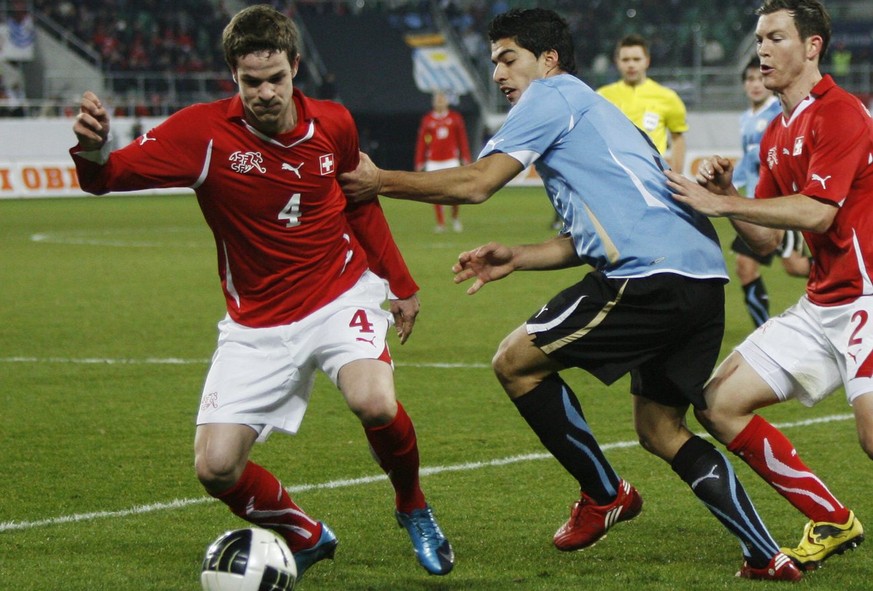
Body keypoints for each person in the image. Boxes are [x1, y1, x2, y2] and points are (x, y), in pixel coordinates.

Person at [342, 7, 801, 581]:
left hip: (647, 275)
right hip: (702, 280)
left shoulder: (550, 96)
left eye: (509, 59)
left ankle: (604, 494)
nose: (499, 74)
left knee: (515, 361)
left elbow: (477, 183)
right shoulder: (597, 113)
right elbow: (594, 235)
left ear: (549, 60)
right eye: (493, 63)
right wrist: (519, 256)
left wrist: (378, 180)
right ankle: (766, 555)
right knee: (660, 429)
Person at [69, 4, 454, 580]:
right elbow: (104, 179)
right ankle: (305, 532)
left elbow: (359, 199)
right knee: (215, 468)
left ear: (295, 67)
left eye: (276, 78)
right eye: (252, 82)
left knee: (373, 401)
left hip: (338, 294)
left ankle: (413, 507)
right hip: (256, 324)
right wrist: (93, 148)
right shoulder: (200, 134)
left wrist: (399, 282)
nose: (266, 93)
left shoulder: (334, 124)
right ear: (234, 76)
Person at [667, 0, 869, 572]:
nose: (762, 49)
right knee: (717, 403)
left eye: (776, 37)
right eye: (759, 38)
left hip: (869, 297)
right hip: (823, 302)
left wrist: (722, 201)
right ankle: (829, 517)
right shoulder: (779, 130)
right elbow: (762, 242)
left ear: (811, 48)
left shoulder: (841, 114)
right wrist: (735, 200)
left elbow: (818, 214)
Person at [732, 55, 809, 327]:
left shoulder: (777, 112)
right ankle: (763, 329)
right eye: (749, 79)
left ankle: (846, 280)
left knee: (795, 266)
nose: (755, 84)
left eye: (758, 78)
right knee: (745, 266)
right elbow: (747, 161)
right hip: (755, 205)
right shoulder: (745, 118)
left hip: (777, 204)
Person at [597, 34, 688, 173]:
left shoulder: (667, 97)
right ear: (617, 62)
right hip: (615, 173)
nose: (631, 64)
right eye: (626, 60)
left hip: (653, 174)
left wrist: (677, 177)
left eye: (636, 59)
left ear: (647, 61)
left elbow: (677, 139)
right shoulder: (601, 96)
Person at [414, 90, 471, 233]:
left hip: (451, 160)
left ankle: (455, 217)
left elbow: (462, 139)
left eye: (442, 99)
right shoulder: (428, 120)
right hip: (433, 161)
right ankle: (441, 223)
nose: (439, 101)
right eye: (437, 99)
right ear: (433, 102)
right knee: (435, 193)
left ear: (446, 101)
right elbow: (422, 142)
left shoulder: (455, 118)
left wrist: (465, 157)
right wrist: (420, 160)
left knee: (456, 193)